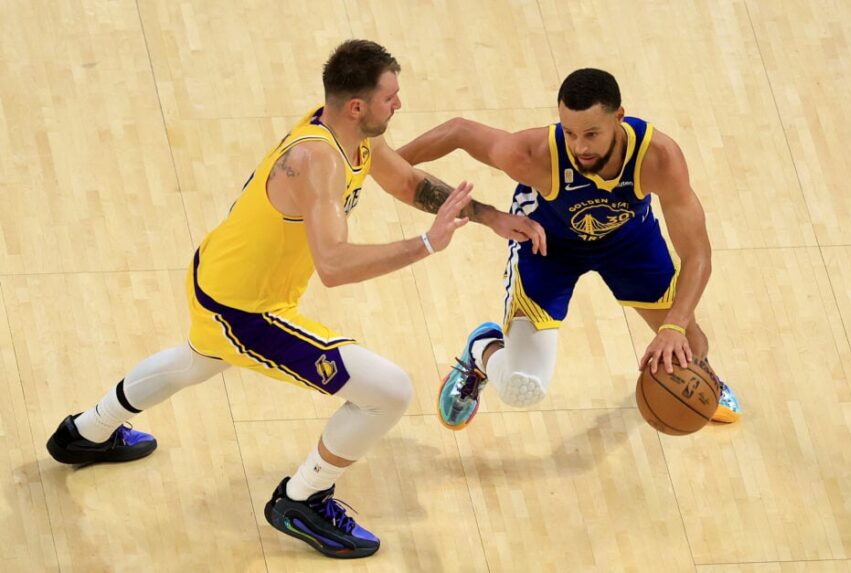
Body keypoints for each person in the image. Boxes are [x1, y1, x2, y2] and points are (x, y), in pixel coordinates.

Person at [45, 39, 546, 559]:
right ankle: (301, 499)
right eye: (390, 98)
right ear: (358, 106)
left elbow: (409, 183)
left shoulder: (349, 134)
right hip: (245, 311)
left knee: (199, 359)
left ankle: (86, 432)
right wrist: (425, 244)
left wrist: (488, 217)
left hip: (220, 275)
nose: (398, 105)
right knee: (390, 391)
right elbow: (333, 266)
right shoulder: (316, 160)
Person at [397, 68, 741, 431]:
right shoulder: (534, 155)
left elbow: (698, 254)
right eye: (570, 132)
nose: (580, 147)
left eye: (592, 133)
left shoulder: (658, 157)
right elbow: (459, 132)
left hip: (628, 243)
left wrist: (673, 326)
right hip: (548, 245)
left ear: (619, 118)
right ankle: (482, 350)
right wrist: (379, 163)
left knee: (692, 343)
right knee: (521, 388)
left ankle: (700, 385)